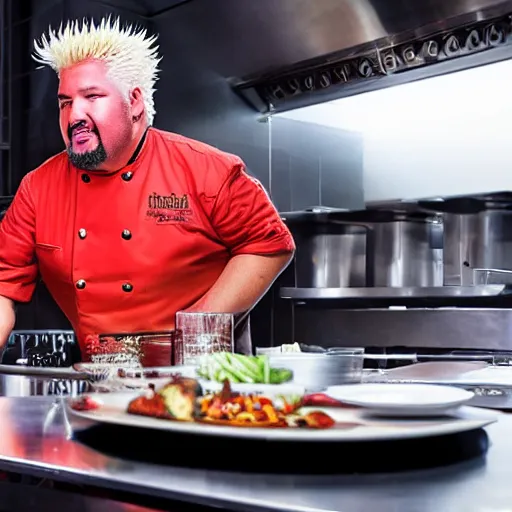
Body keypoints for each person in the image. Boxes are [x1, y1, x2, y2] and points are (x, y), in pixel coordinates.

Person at [0, 17, 295, 358]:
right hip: (103, 383)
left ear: (135, 100)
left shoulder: (205, 170)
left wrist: (198, 327)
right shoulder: (38, 189)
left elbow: (268, 243)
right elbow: (3, 285)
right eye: (65, 102)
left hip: (207, 384)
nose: (74, 115)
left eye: (91, 97)